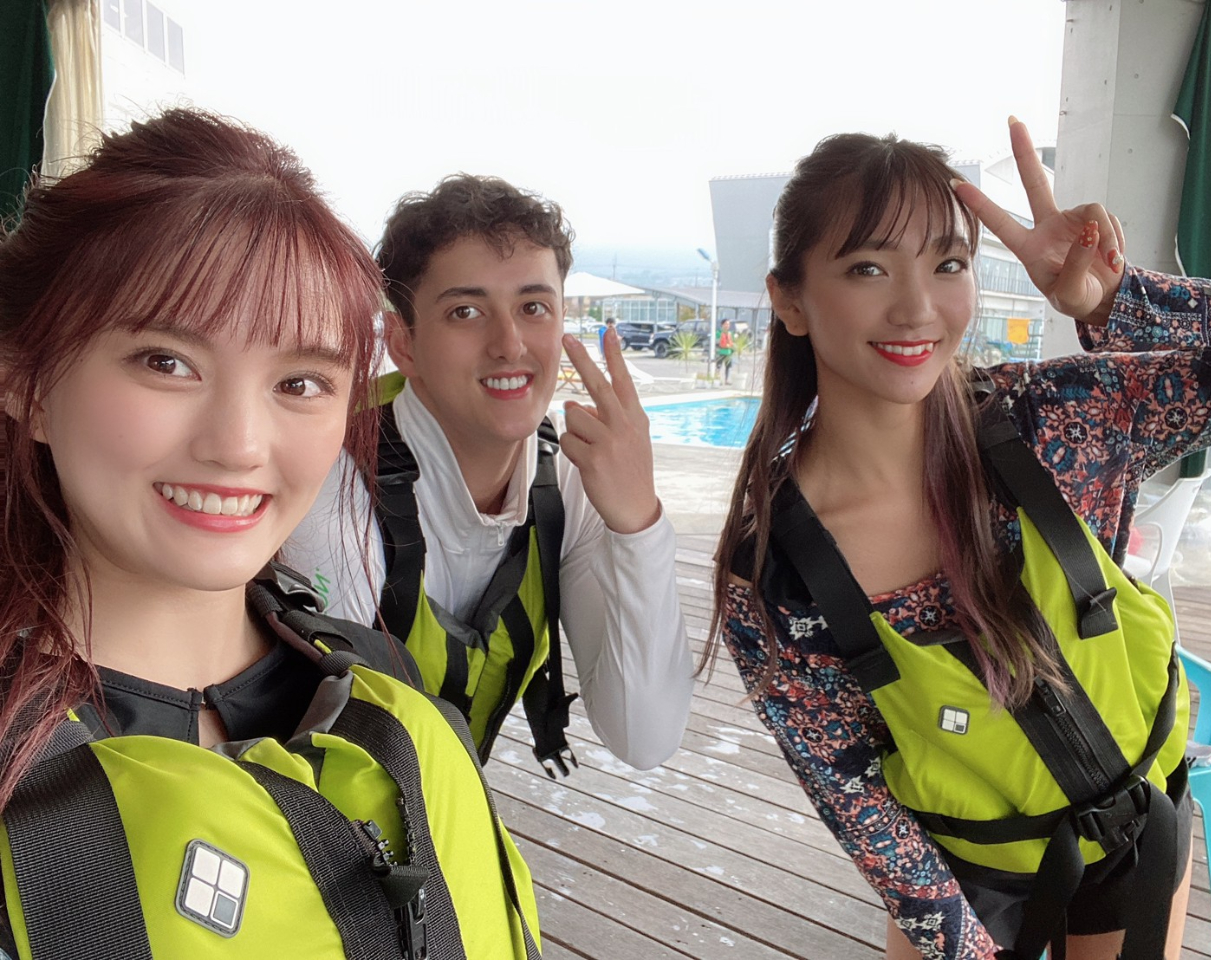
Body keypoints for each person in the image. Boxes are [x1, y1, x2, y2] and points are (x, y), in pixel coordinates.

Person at [706, 118, 1211, 959]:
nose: (917, 307)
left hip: (1135, 827)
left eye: (948, 264)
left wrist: (1119, 302)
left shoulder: (1059, 422)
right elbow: (855, 796)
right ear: (789, 299)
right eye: (867, 267)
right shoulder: (773, 573)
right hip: (965, 868)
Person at [0, 110, 540, 959]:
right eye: (167, 362)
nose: (240, 446)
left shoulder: (392, 700)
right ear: (27, 383)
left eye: (300, 382)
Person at [285, 175, 692, 776]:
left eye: (533, 307)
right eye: (466, 311)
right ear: (403, 343)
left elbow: (643, 737)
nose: (510, 344)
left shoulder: (567, 481)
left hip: (441, 809)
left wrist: (638, 525)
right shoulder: (334, 486)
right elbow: (331, 755)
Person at [715, 318, 734, 384]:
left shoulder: (730, 333)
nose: (727, 325)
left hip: (728, 352)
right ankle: (717, 380)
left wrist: (732, 348)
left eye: (728, 324)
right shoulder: (718, 333)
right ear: (722, 325)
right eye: (726, 324)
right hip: (720, 352)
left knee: (728, 367)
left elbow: (732, 342)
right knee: (718, 366)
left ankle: (726, 380)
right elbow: (717, 343)